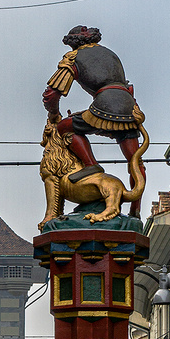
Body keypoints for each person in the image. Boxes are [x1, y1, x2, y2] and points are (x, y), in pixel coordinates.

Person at [42, 25, 146, 212]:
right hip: (129, 107)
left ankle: (91, 165)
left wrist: (54, 114)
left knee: (65, 127)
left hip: (104, 105)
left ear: (73, 43)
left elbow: (51, 93)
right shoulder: (110, 54)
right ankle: (135, 211)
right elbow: (127, 86)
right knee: (135, 162)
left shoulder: (73, 57)